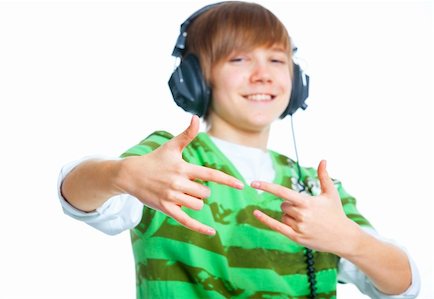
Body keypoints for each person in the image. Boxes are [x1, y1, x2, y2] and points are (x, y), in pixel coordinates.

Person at [58, 1, 420, 298]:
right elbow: (76, 195)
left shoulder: (315, 190)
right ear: (195, 80)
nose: (263, 74)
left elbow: (404, 285)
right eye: (239, 59)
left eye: (277, 61)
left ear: (297, 84)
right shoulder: (168, 162)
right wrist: (122, 175)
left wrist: (349, 240)